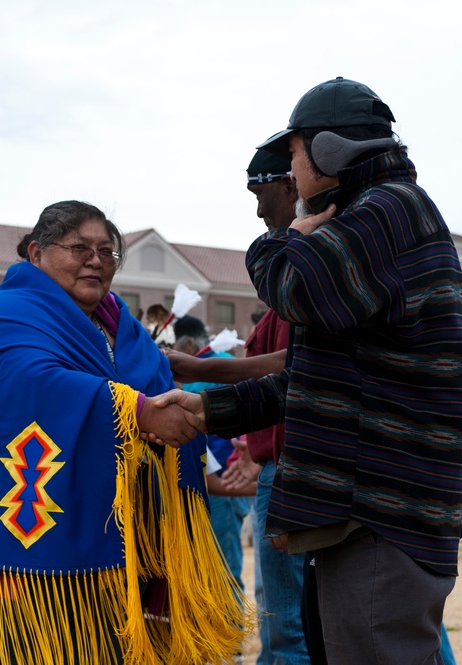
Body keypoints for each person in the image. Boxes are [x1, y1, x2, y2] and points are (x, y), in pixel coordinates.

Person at [162, 77, 462, 663]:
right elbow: (317, 376)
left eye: (295, 153)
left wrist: (280, 240)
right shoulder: (374, 216)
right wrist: (210, 411)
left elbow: (294, 288)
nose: (290, 170)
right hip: (366, 512)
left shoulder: (389, 211)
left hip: (379, 512)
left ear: (328, 152)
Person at [0, 201, 251, 664]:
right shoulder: (9, 315)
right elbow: (33, 382)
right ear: (36, 252)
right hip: (20, 534)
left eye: (107, 252)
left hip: (116, 539)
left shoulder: (120, 327)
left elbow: (151, 379)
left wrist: (159, 415)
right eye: (80, 248)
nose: (96, 260)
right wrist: (136, 410)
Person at [170, 148, 311, 665]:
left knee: (286, 625)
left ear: (291, 187)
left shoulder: (311, 277)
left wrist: (203, 374)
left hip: (291, 472)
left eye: (261, 196)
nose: (258, 212)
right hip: (273, 467)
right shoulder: (295, 286)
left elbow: (291, 371)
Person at [172, 314, 250, 599]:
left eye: (176, 349)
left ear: (189, 343)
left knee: (224, 568)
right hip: (203, 480)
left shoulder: (223, 366)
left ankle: (232, 641)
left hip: (226, 483)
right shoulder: (206, 366)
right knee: (205, 568)